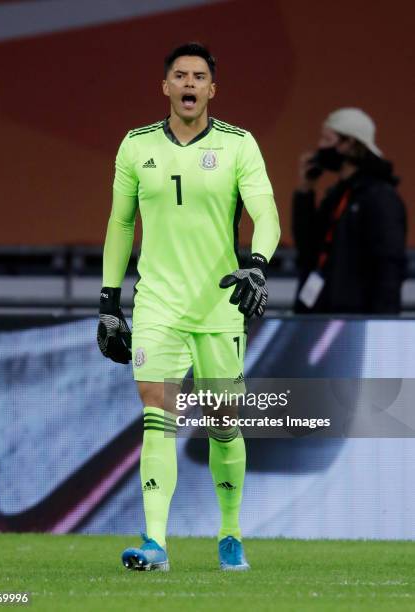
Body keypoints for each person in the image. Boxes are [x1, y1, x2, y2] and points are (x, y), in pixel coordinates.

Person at [97, 42, 280, 571]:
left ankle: (230, 532)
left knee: (225, 421)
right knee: (159, 412)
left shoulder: (239, 145)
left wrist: (259, 265)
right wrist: (110, 301)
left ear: (212, 90)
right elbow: (120, 224)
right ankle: (155, 542)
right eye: (180, 76)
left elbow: (265, 212)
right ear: (166, 87)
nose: (189, 84)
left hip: (220, 303)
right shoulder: (135, 147)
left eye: (199, 76)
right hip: (158, 303)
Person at [292, 107, 406, 314]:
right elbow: (307, 245)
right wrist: (305, 190)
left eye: (327, 139)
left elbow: (389, 267)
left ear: (349, 143)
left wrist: (384, 323)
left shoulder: (380, 197)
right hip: (320, 312)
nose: (320, 146)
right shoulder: (338, 194)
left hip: (354, 319)